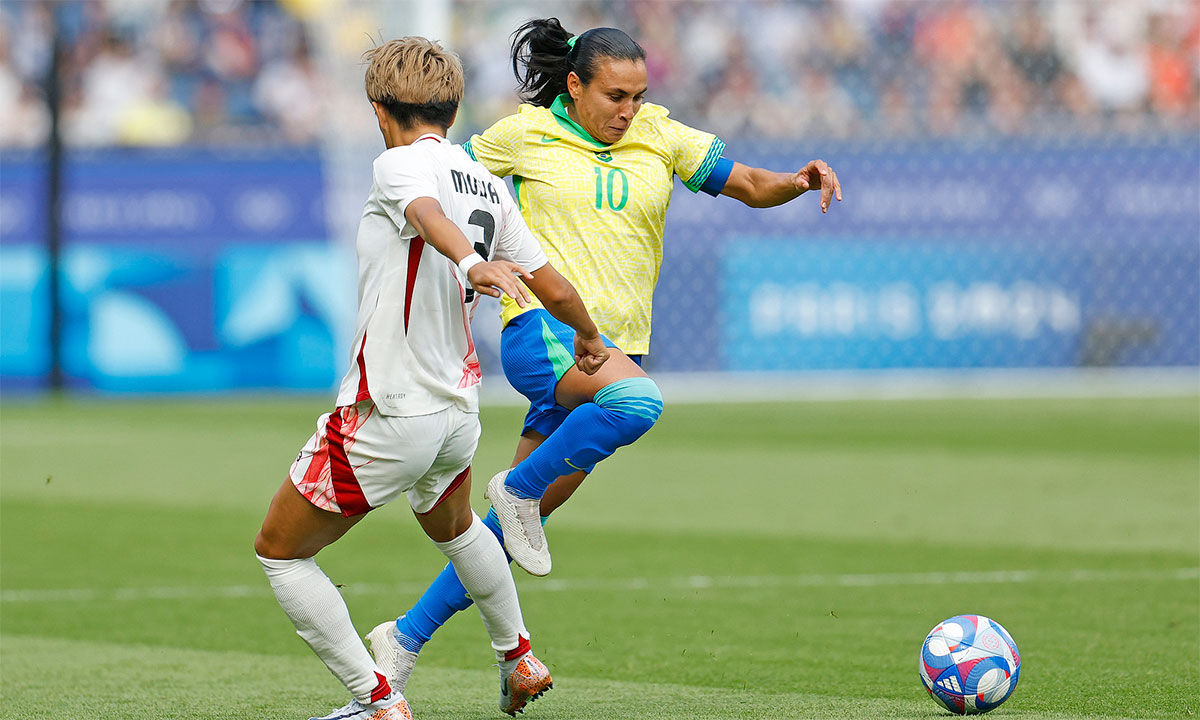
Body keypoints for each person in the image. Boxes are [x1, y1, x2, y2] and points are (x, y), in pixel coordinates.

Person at [367, 19, 842, 695]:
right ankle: (520, 491)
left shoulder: (662, 135)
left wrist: (798, 180)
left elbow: (748, 184)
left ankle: (410, 641)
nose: (629, 109)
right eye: (616, 94)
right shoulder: (522, 135)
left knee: (498, 535)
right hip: (543, 333)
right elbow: (441, 179)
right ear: (573, 85)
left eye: (639, 95)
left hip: (611, 350)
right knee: (637, 402)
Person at [253, 36, 610, 720]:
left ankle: (376, 700)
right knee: (455, 528)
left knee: (280, 552)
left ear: (378, 109)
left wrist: (468, 263)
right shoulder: (487, 182)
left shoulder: (395, 167)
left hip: (390, 408)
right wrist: (588, 335)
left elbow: (427, 216)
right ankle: (519, 656)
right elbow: (551, 283)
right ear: (453, 107)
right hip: (458, 411)